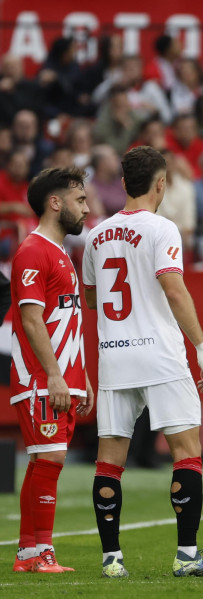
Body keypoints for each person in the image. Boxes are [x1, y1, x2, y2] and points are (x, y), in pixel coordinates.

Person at [82, 146, 203, 579]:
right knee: (186, 453)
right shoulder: (163, 229)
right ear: (161, 184)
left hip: (115, 357)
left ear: (124, 183)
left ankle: (111, 561)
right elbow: (174, 289)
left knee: (109, 459)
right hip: (160, 354)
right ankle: (186, 555)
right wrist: (201, 347)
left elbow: (92, 298)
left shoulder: (95, 234)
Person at [10, 167, 92, 573]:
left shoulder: (61, 254)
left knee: (44, 461)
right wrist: (56, 376)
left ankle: (27, 552)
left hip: (61, 378)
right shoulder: (33, 250)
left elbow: (70, 322)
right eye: (80, 200)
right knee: (52, 459)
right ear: (55, 202)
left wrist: (83, 379)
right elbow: (30, 320)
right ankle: (43, 553)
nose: (87, 208)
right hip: (39, 377)